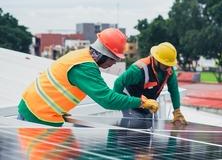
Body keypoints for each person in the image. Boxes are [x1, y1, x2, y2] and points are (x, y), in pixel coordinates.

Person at [17, 28, 159, 127]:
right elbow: (107, 100)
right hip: (39, 115)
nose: (115, 62)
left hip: (33, 107)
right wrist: (140, 102)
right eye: (114, 58)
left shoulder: (81, 55)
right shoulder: (85, 67)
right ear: (105, 54)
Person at [114, 42, 187, 125]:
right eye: (166, 64)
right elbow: (118, 83)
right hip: (132, 104)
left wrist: (177, 110)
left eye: (170, 64)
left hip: (149, 105)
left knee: (150, 127)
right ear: (157, 60)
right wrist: (118, 103)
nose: (168, 67)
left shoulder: (168, 70)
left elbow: (174, 89)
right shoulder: (138, 69)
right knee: (136, 127)